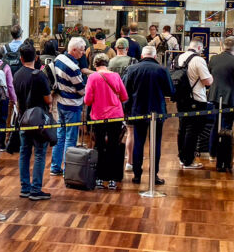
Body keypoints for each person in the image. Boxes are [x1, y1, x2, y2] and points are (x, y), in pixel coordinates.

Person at [124, 45, 173, 185]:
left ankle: (137, 175)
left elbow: (126, 90)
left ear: (142, 56)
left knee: (138, 143)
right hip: (157, 112)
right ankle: (154, 174)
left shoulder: (132, 69)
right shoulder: (162, 70)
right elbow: (170, 91)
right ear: (155, 56)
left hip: (137, 111)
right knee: (156, 144)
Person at [13, 43, 53, 200]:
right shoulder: (39, 76)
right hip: (38, 119)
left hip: (23, 118)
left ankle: (25, 187)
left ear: (21, 58)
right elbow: (48, 100)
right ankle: (36, 189)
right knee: (40, 153)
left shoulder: (17, 75)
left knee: (24, 152)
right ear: (36, 58)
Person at [83, 53, 128, 189]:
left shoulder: (93, 77)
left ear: (95, 65)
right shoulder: (116, 76)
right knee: (114, 146)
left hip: (99, 116)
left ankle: (100, 178)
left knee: (99, 146)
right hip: (115, 115)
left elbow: (87, 100)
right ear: (107, 63)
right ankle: (113, 178)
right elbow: (124, 96)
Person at [49, 37, 87, 176]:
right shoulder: (74, 68)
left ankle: (55, 166)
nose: (83, 54)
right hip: (72, 106)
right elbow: (81, 90)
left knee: (60, 136)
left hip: (60, 103)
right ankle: (68, 169)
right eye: (81, 51)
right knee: (71, 138)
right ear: (74, 50)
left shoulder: (58, 59)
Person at [175, 37, 213, 169]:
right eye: (201, 49)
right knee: (193, 130)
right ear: (198, 48)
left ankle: (182, 157)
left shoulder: (178, 58)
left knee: (182, 128)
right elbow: (207, 81)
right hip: (196, 99)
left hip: (181, 98)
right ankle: (188, 160)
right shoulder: (198, 60)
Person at [207, 36, 234, 153]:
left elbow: (210, 74)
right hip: (230, 97)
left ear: (223, 46)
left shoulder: (213, 59)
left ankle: (212, 151)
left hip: (214, 95)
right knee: (227, 125)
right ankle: (224, 152)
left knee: (215, 123)